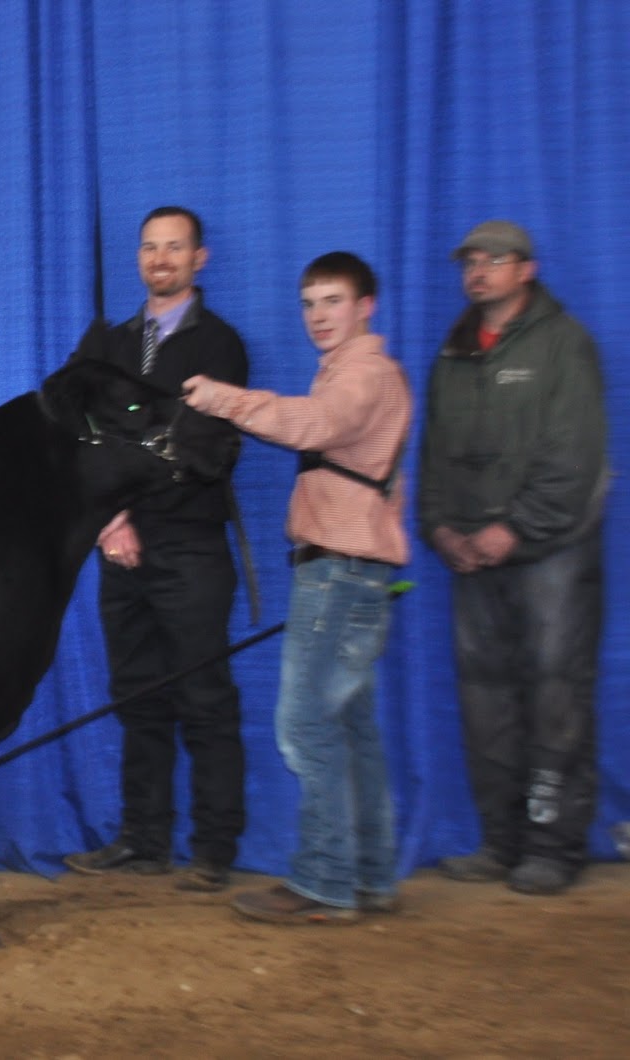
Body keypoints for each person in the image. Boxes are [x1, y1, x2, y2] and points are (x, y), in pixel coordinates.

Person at [182, 250, 411, 924]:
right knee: (349, 727)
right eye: (309, 303)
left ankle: (324, 880)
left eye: (332, 301)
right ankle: (368, 874)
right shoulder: (351, 371)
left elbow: (319, 425)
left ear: (366, 306)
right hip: (353, 569)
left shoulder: (364, 374)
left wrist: (224, 399)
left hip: (339, 570)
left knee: (305, 724)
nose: (318, 316)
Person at [419, 221, 608, 897]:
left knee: (556, 694)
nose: (478, 271)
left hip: (551, 554)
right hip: (473, 558)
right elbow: (434, 454)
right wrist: (441, 528)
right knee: (485, 701)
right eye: (470, 261)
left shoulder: (564, 344)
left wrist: (514, 528)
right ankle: (500, 842)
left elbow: (574, 457)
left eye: (493, 260)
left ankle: (554, 848)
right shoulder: (454, 350)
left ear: (526, 270)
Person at [62, 207, 248, 892]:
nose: (160, 258)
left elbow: (205, 449)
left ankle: (214, 850)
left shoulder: (219, 346)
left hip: (189, 545)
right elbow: (78, 432)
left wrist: (130, 509)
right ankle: (144, 839)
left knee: (204, 697)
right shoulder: (109, 344)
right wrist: (111, 520)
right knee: (137, 697)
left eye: (174, 247)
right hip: (118, 546)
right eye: (149, 247)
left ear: (200, 258)